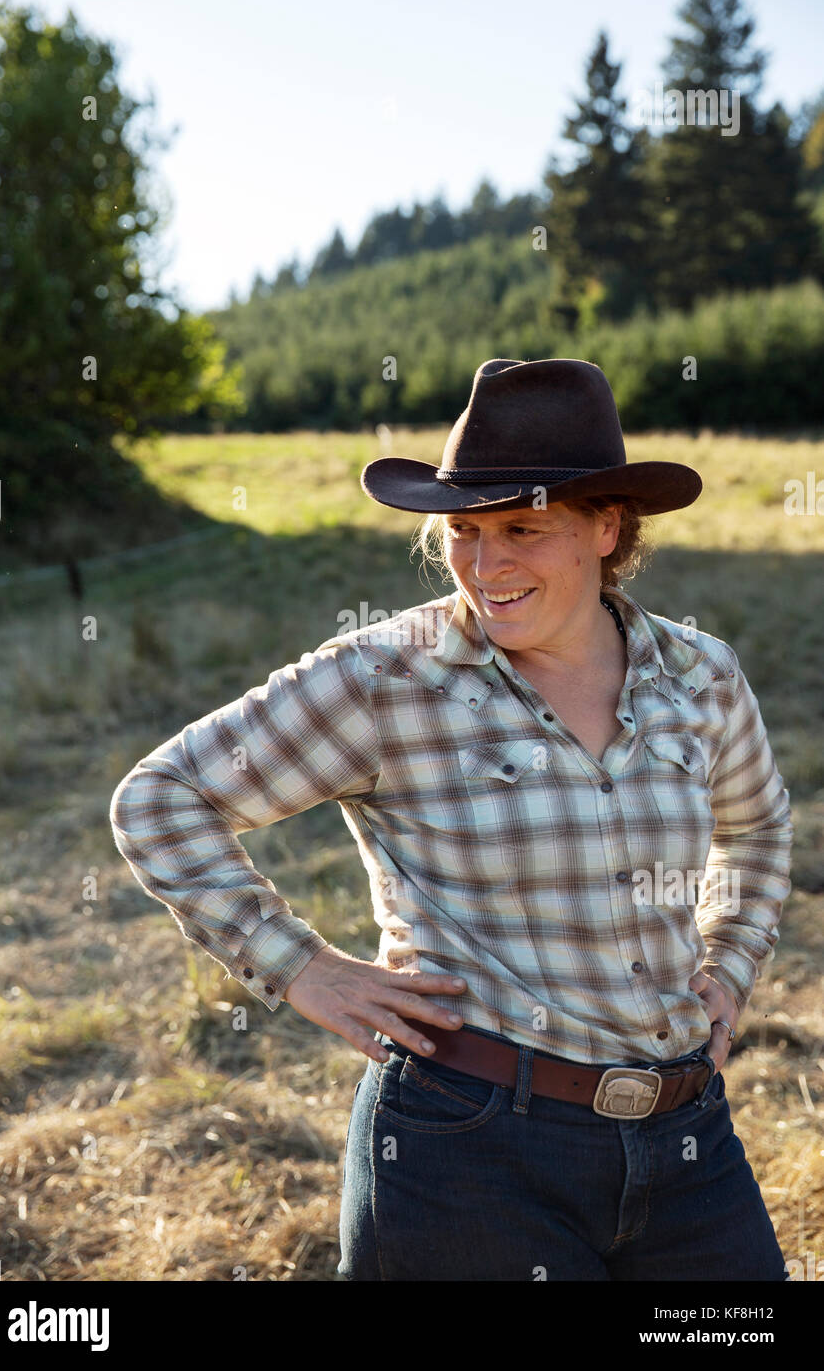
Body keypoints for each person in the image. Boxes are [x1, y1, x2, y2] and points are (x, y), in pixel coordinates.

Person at [109, 357, 793, 1282]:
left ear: (606, 527)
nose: (485, 562)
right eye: (464, 530)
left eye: (522, 527)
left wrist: (731, 959)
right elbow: (162, 799)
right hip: (468, 1151)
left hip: (687, 1141)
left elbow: (754, 830)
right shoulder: (385, 679)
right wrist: (303, 969)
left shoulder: (701, 674)